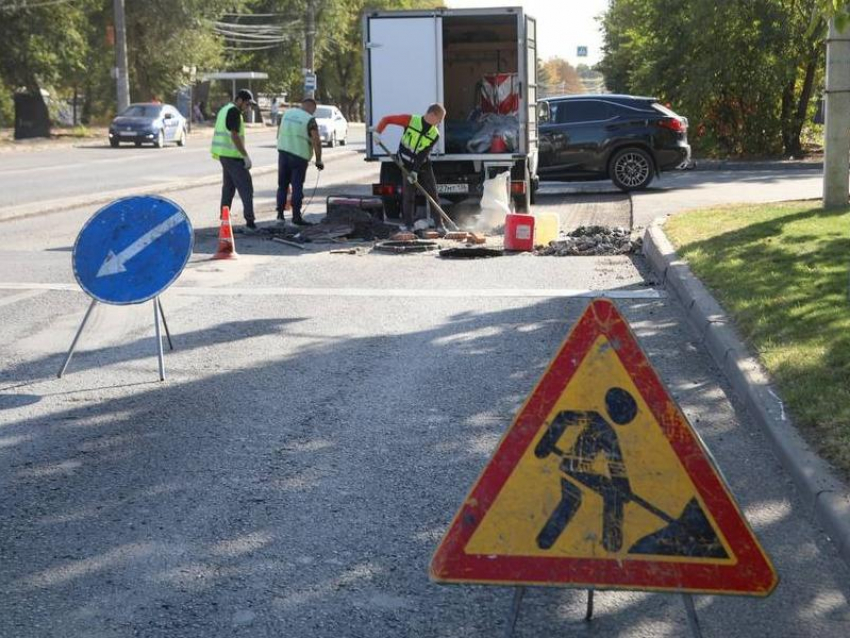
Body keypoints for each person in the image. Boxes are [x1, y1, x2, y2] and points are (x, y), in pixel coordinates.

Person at [374, 103, 446, 232]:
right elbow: (387, 119)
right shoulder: (411, 120)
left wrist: (415, 171)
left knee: (433, 194)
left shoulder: (435, 134)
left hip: (422, 165)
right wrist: (378, 132)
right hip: (405, 163)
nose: (440, 122)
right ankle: (409, 225)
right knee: (408, 195)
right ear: (432, 114)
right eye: (439, 119)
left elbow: (424, 153)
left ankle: (439, 225)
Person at [211, 89, 257, 231]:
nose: (248, 107)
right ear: (239, 100)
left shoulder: (225, 109)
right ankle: (250, 223)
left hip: (224, 155)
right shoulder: (234, 112)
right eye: (247, 104)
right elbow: (234, 135)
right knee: (246, 188)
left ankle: (224, 220)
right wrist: (245, 156)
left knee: (229, 188)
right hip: (233, 156)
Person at [276, 97, 324, 226]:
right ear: (312, 108)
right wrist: (319, 160)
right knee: (297, 187)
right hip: (299, 157)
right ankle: (296, 217)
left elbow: (279, 132)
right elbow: (316, 141)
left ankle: (280, 215)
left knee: (282, 186)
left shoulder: (287, 114)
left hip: (283, 153)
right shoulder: (309, 120)